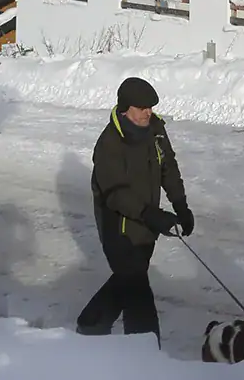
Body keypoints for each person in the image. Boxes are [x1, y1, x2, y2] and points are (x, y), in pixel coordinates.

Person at [76, 77, 194, 339]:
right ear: (125, 108)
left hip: (146, 226)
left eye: (151, 107)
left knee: (127, 280)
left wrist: (181, 205)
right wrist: (152, 215)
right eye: (142, 108)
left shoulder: (156, 131)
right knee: (137, 290)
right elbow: (115, 194)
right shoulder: (110, 143)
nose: (148, 113)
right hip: (119, 229)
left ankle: (90, 323)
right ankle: (145, 349)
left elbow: (169, 168)